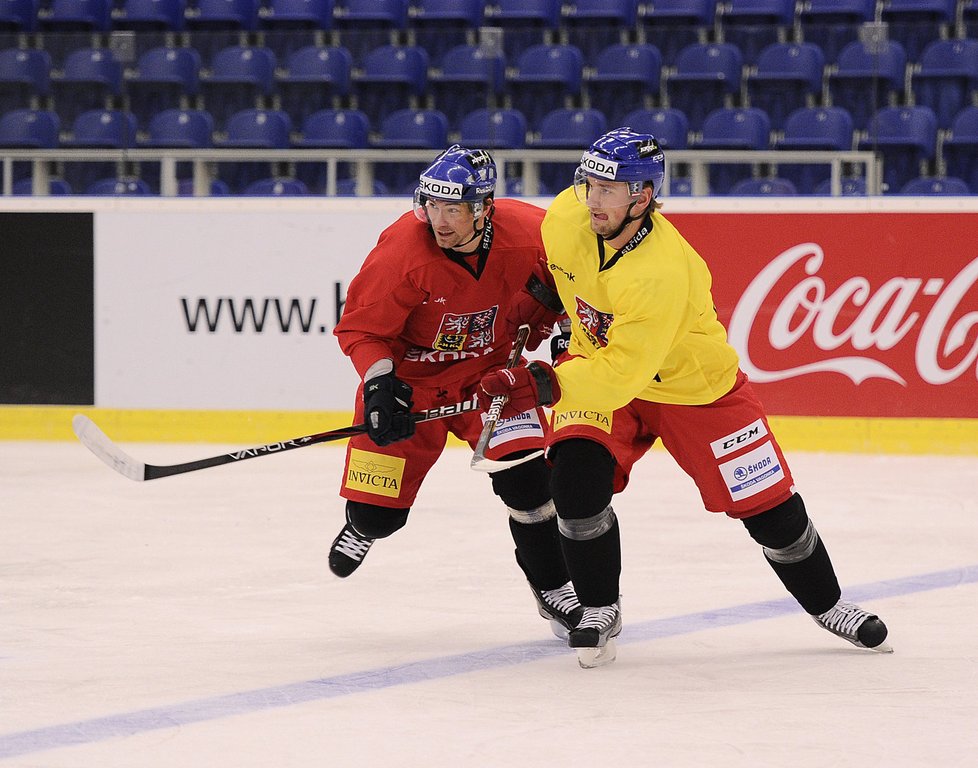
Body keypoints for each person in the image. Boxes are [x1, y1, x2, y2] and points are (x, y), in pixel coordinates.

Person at [479, 128, 891, 668]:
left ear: (643, 196)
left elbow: (625, 373)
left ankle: (829, 603)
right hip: (599, 369)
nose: (592, 198)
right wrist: (538, 297)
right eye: (589, 183)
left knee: (770, 511)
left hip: (693, 389)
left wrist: (542, 384)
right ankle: (599, 607)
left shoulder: (663, 270)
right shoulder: (566, 214)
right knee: (574, 479)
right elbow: (562, 270)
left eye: (609, 188)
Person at [330, 144, 580, 639]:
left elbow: (579, 282)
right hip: (411, 384)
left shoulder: (532, 233)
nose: (439, 222)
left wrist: (568, 329)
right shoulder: (402, 252)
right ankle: (363, 525)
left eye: (454, 209)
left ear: (484, 207)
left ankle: (554, 588)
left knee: (529, 486)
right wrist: (381, 386)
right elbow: (361, 329)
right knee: (377, 516)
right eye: (432, 206)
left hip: (493, 375)